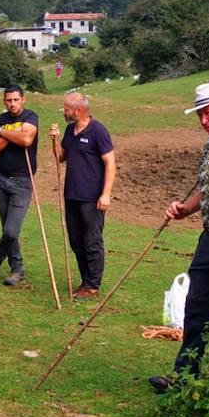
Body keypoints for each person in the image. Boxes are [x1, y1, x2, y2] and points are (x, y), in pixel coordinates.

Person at [147, 82, 209, 394]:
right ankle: (185, 377)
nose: (204, 120)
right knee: (197, 310)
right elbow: (207, 186)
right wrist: (185, 209)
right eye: (200, 115)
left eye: (208, 113)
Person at [48, 92, 115, 298]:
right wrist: (55, 140)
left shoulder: (98, 131)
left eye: (67, 109)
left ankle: (92, 286)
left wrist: (106, 195)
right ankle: (85, 282)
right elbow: (61, 157)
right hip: (72, 196)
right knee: (76, 241)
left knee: (92, 241)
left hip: (92, 198)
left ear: (78, 110)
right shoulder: (70, 130)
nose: (64, 112)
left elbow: (110, 164)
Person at [0, 85, 39, 286]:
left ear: (23, 99)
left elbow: (26, 139)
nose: (12, 104)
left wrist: (3, 133)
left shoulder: (31, 116)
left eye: (16, 100)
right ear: (4, 101)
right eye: (9, 100)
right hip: (1, 179)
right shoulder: (1, 119)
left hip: (23, 181)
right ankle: (17, 269)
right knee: (6, 227)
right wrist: (11, 130)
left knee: (11, 231)